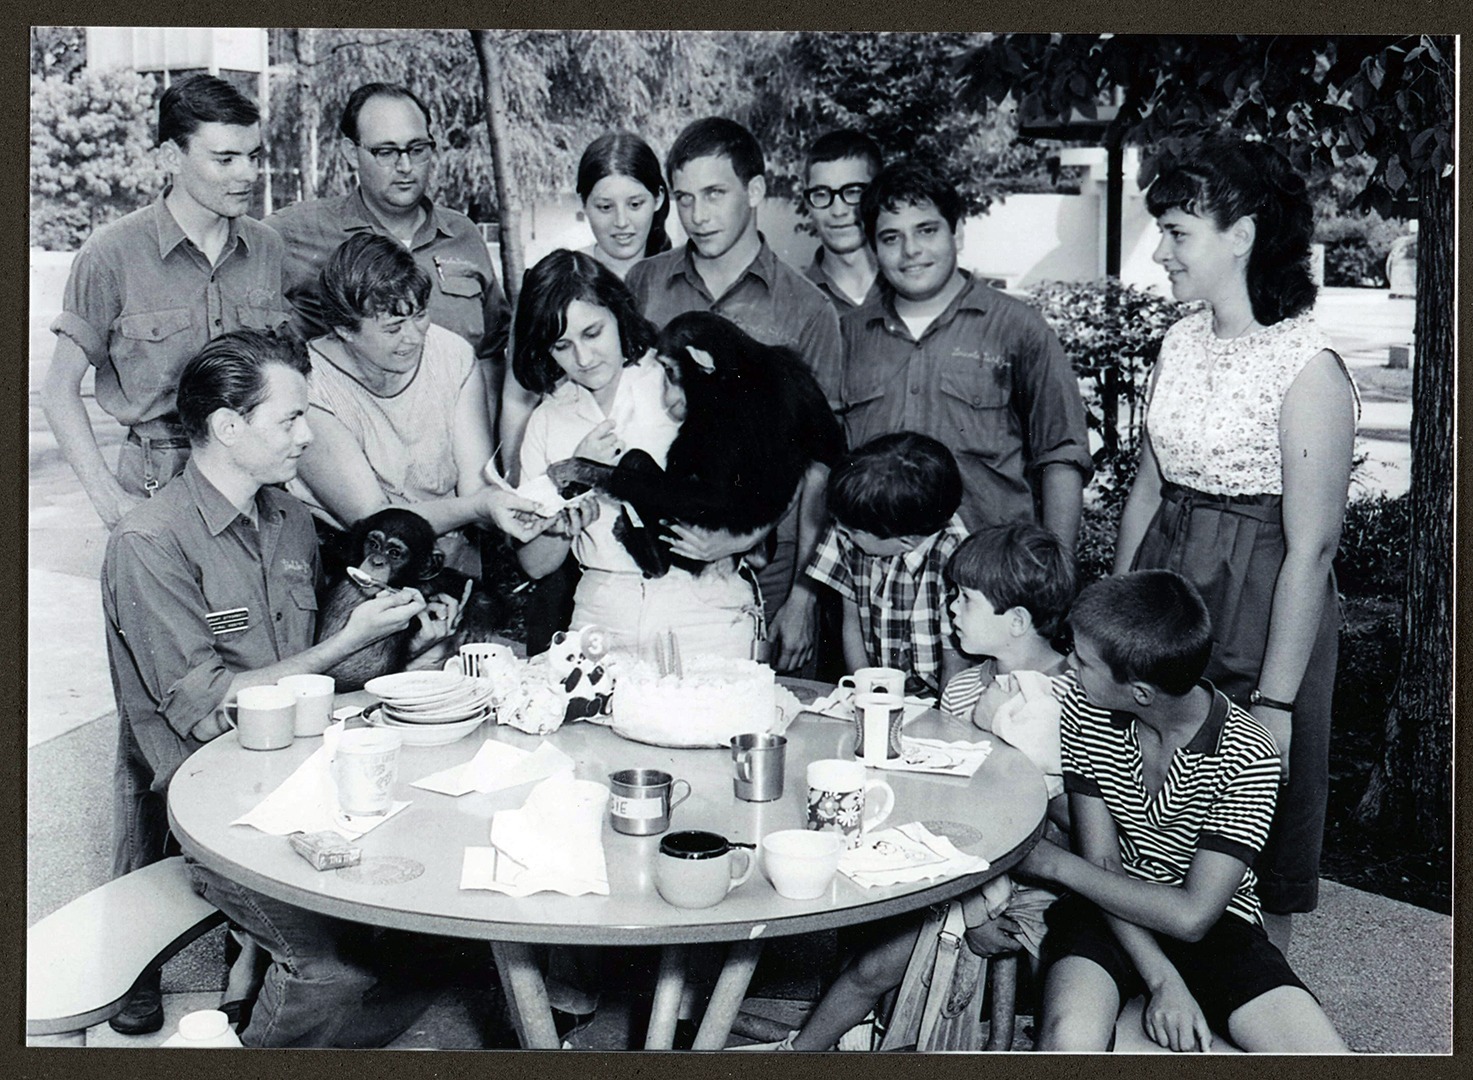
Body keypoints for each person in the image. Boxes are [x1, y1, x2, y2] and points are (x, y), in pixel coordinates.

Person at [101, 329, 499, 1045]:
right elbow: (212, 711)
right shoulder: (149, 542)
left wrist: (414, 648)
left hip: (316, 780)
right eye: (290, 419)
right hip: (218, 807)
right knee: (333, 972)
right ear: (229, 427)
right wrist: (346, 640)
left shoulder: (287, 519)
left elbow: (318, 677)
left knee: (452, 920)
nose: (307, 436)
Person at [1113, 139, 1358, 954]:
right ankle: (1153, 980)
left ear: (1242, 236)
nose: (1160, 252)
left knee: (1253, 822)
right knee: (1145, 789)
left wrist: (1275, 705)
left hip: (1260, 604)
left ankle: (1262, 994)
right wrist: (1112, 619)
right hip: (1166, 582)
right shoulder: (1179, 342)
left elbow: (1311, 548)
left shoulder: (1307, 365)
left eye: (1177, 232)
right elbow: (1147, 487)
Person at [767, 522, 1078, 1052]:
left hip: (1025, 883)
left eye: (966, 598)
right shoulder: (964, 688)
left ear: (1017, 622)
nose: (950, 607)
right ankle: (846, 1039)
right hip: (955, 860)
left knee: (872, 967)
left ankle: (801, 1053)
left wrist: (978, 908)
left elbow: (1078, 824)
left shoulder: (1071, 698)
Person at [1021, 571, 1347, 1053]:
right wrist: (1164, 982)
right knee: (1070, 1038)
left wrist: (1054, 865)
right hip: (1107, 911)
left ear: (1140, 693)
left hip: (1218, 924)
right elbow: (1104, 864)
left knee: (1322, 1056)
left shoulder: (1249, 752)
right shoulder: (1084, 709)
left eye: (1083, 661)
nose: (1069, 665)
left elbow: (1194, 916)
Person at [625, 117, 843, 674]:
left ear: (755, 190)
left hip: (766, 565)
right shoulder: (644, 285)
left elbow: (822, 464)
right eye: (684, 198)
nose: (697, 215)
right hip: (655, 561)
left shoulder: (806, 308)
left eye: (715, 194)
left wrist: (802, 597)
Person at [41, 74, 291, 530]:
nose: (248, 174)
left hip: (258, 486)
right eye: (225, 159)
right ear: (171, 157)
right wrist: (110, 501)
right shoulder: (111, 254)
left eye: (253, 157)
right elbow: (59, 391)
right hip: (157, 484)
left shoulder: (268, 249)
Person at [827, 160, 1093, 547]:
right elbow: (824, 463)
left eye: (927, 230)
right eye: (891, 238)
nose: (911, 250)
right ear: (873, 249)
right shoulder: (846, 336)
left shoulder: (1018, 328)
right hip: (875, 576)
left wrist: (1056, 568)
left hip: (990, 572)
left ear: (958, 232)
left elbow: (1061, 455)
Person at [501, 131, 671, 652]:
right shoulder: (553, 282)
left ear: (659, 199)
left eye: (635, 204)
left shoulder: (676, 283)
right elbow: (519, 399)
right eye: (604, 206)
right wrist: (543, 491)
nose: (621, 221)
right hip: (593, 581)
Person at [287, 234, 544, 578]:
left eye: (420, 315)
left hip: (449, 557)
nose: (414, 336)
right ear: (344, 330)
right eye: (393, 328)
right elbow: (375, 520)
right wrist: (480, 507)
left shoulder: (452, 354)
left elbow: (476, 485)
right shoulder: (307, 385)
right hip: (355, 562)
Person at [264, 82, 510, 370]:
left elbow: (491, 353)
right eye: (386, 152)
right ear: (351, 152)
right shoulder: (298, 231)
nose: (405, 166)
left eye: (417, 149)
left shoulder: (463, 234)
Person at [803, 433, 969, 701]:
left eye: (852, 532)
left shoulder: (955, 558)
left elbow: (956, 664)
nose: (840, 533)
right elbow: (852, 623)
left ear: (905, 541)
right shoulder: (854, 522)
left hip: (938, 697)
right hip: (878, 688)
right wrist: (866, 696)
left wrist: (942, 715)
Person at [802, 129, 884, 310]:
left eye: (853, 192)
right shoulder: (792, 303)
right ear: (808, 204)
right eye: (821, 194)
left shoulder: (917, 286)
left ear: (879, 194)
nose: (838, 211)